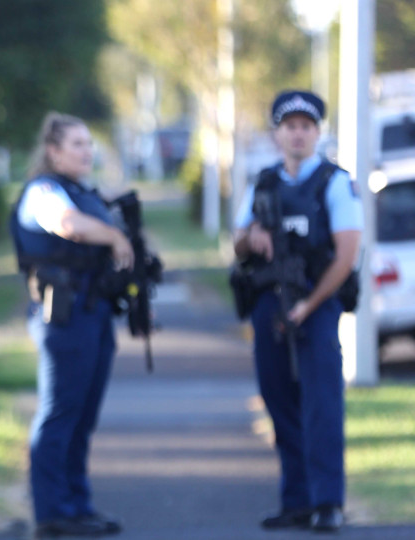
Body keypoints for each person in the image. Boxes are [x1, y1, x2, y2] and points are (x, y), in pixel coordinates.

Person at [232, 90, 362, 533]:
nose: (298, 133)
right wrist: (252, 237)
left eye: (306, 126)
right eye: (290, 126)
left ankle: (328, 502)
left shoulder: (335, 182)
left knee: (322, 404)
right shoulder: (263, 183)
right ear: (277, 134)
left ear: (317, 132)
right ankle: (297, 500)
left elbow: (346, 254)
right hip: (270, 302)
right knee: (277, 398)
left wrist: (311, 303)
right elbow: (237, 240)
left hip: (317, 303)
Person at [10, 112, 133, 539]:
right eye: (76, 143)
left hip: (93, 312)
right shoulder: (44, 191)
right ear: (53, 150)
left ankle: (77, 507)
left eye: (88, 143)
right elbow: (67, 225)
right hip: (63, 314)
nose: (87, 150)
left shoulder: (82, 190)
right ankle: (51, 512)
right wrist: (115, 238)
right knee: (60, 413)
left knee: (82, 417)